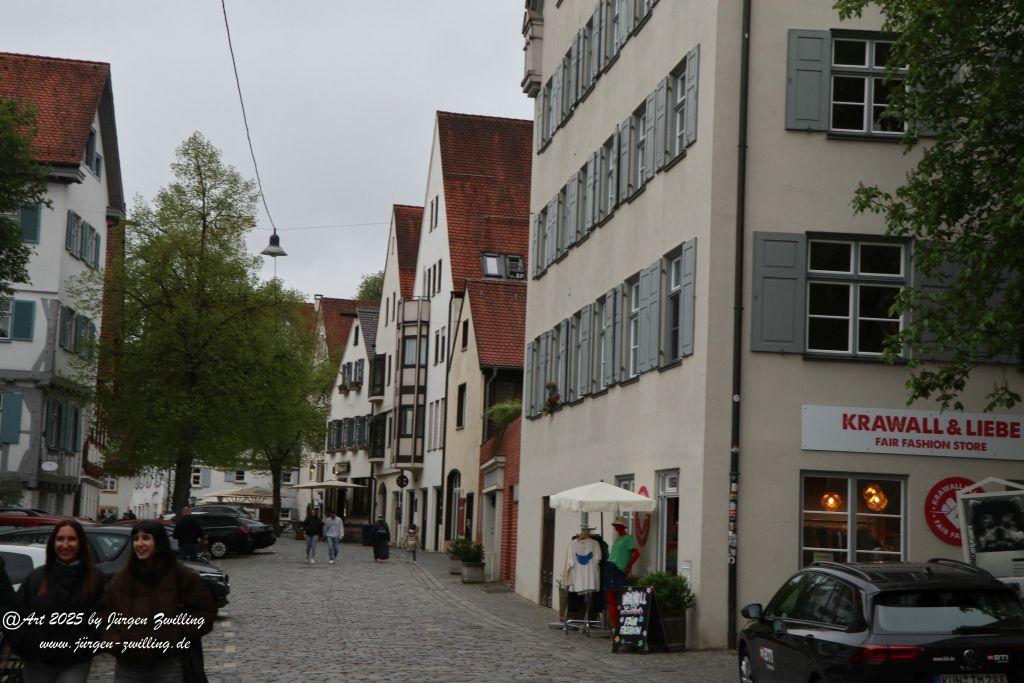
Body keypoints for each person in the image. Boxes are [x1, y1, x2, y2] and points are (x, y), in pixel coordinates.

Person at [100, 520, 216, 683]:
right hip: (129, 665)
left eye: (146, 538)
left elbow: (205, 612)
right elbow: (104, 615)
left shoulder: (182, 576)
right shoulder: (120, 580)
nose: (139, 543)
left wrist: (176, 635)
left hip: (168, 662)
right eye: (136, 539)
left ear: (159, 542)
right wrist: (117, 642)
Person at [10, 521, 104, 683]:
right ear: (53, 543)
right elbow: (16, 615)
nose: (65, 545)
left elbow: (105, 619)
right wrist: (25, 644)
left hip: (75, 661)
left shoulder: (95, 579)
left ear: (81, 543)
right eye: (60, 539)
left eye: (71, 539)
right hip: (37, 662)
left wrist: (87, 647)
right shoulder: (36, 578)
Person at [605, 515, 640, 627]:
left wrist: (629, 565)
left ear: (622, 526)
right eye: (615, 525)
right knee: (611, 598)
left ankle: (620, 624)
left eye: (617, 524)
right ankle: (614, 624)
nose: (615, 526)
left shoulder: (628, 538)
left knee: (621, 598)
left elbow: (636, 553)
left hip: (618, 569)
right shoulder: (617, 540)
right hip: (610, 567)